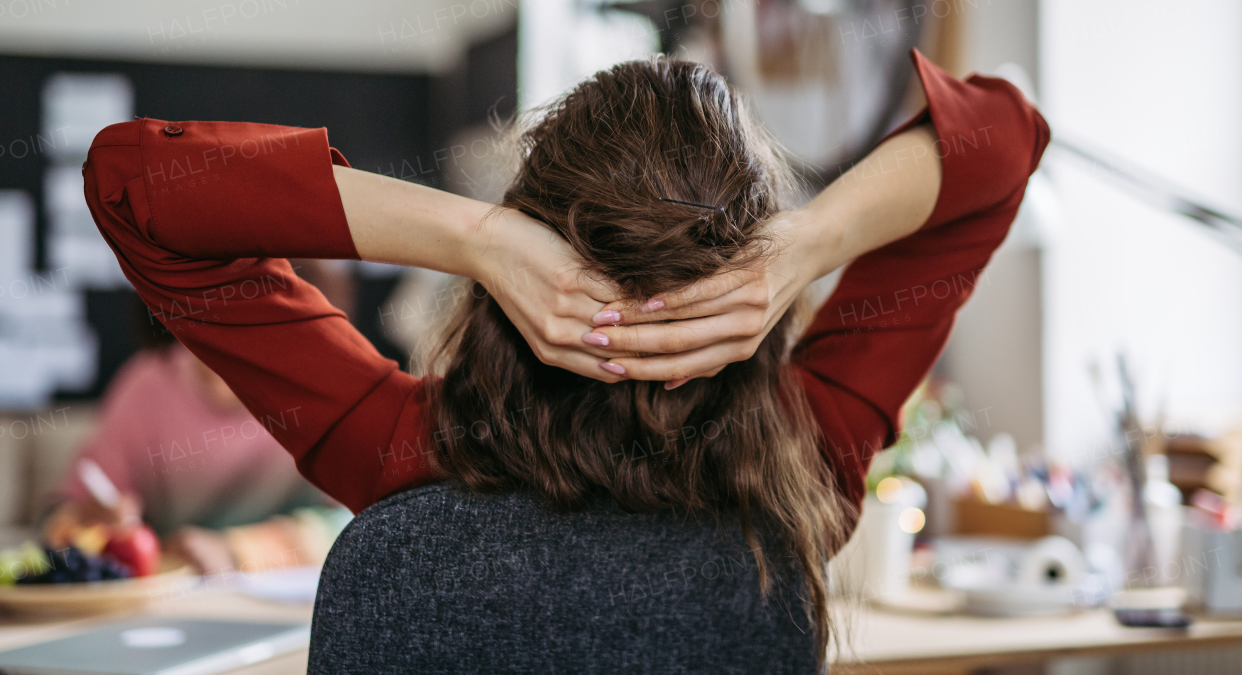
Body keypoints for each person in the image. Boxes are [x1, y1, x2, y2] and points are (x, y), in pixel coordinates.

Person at [82, 49, 1048, 662]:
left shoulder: (399, 454)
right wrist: (808, 243)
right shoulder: (803, 465)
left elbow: (133, 186)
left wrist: (476, 239)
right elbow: (1005, 137)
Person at [44, 300, 349, 574]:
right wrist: (83, 522)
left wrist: (237, 551)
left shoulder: (324, 388)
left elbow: (360, 526)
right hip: (174, 600)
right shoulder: (147, 385)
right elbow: (64, 516)